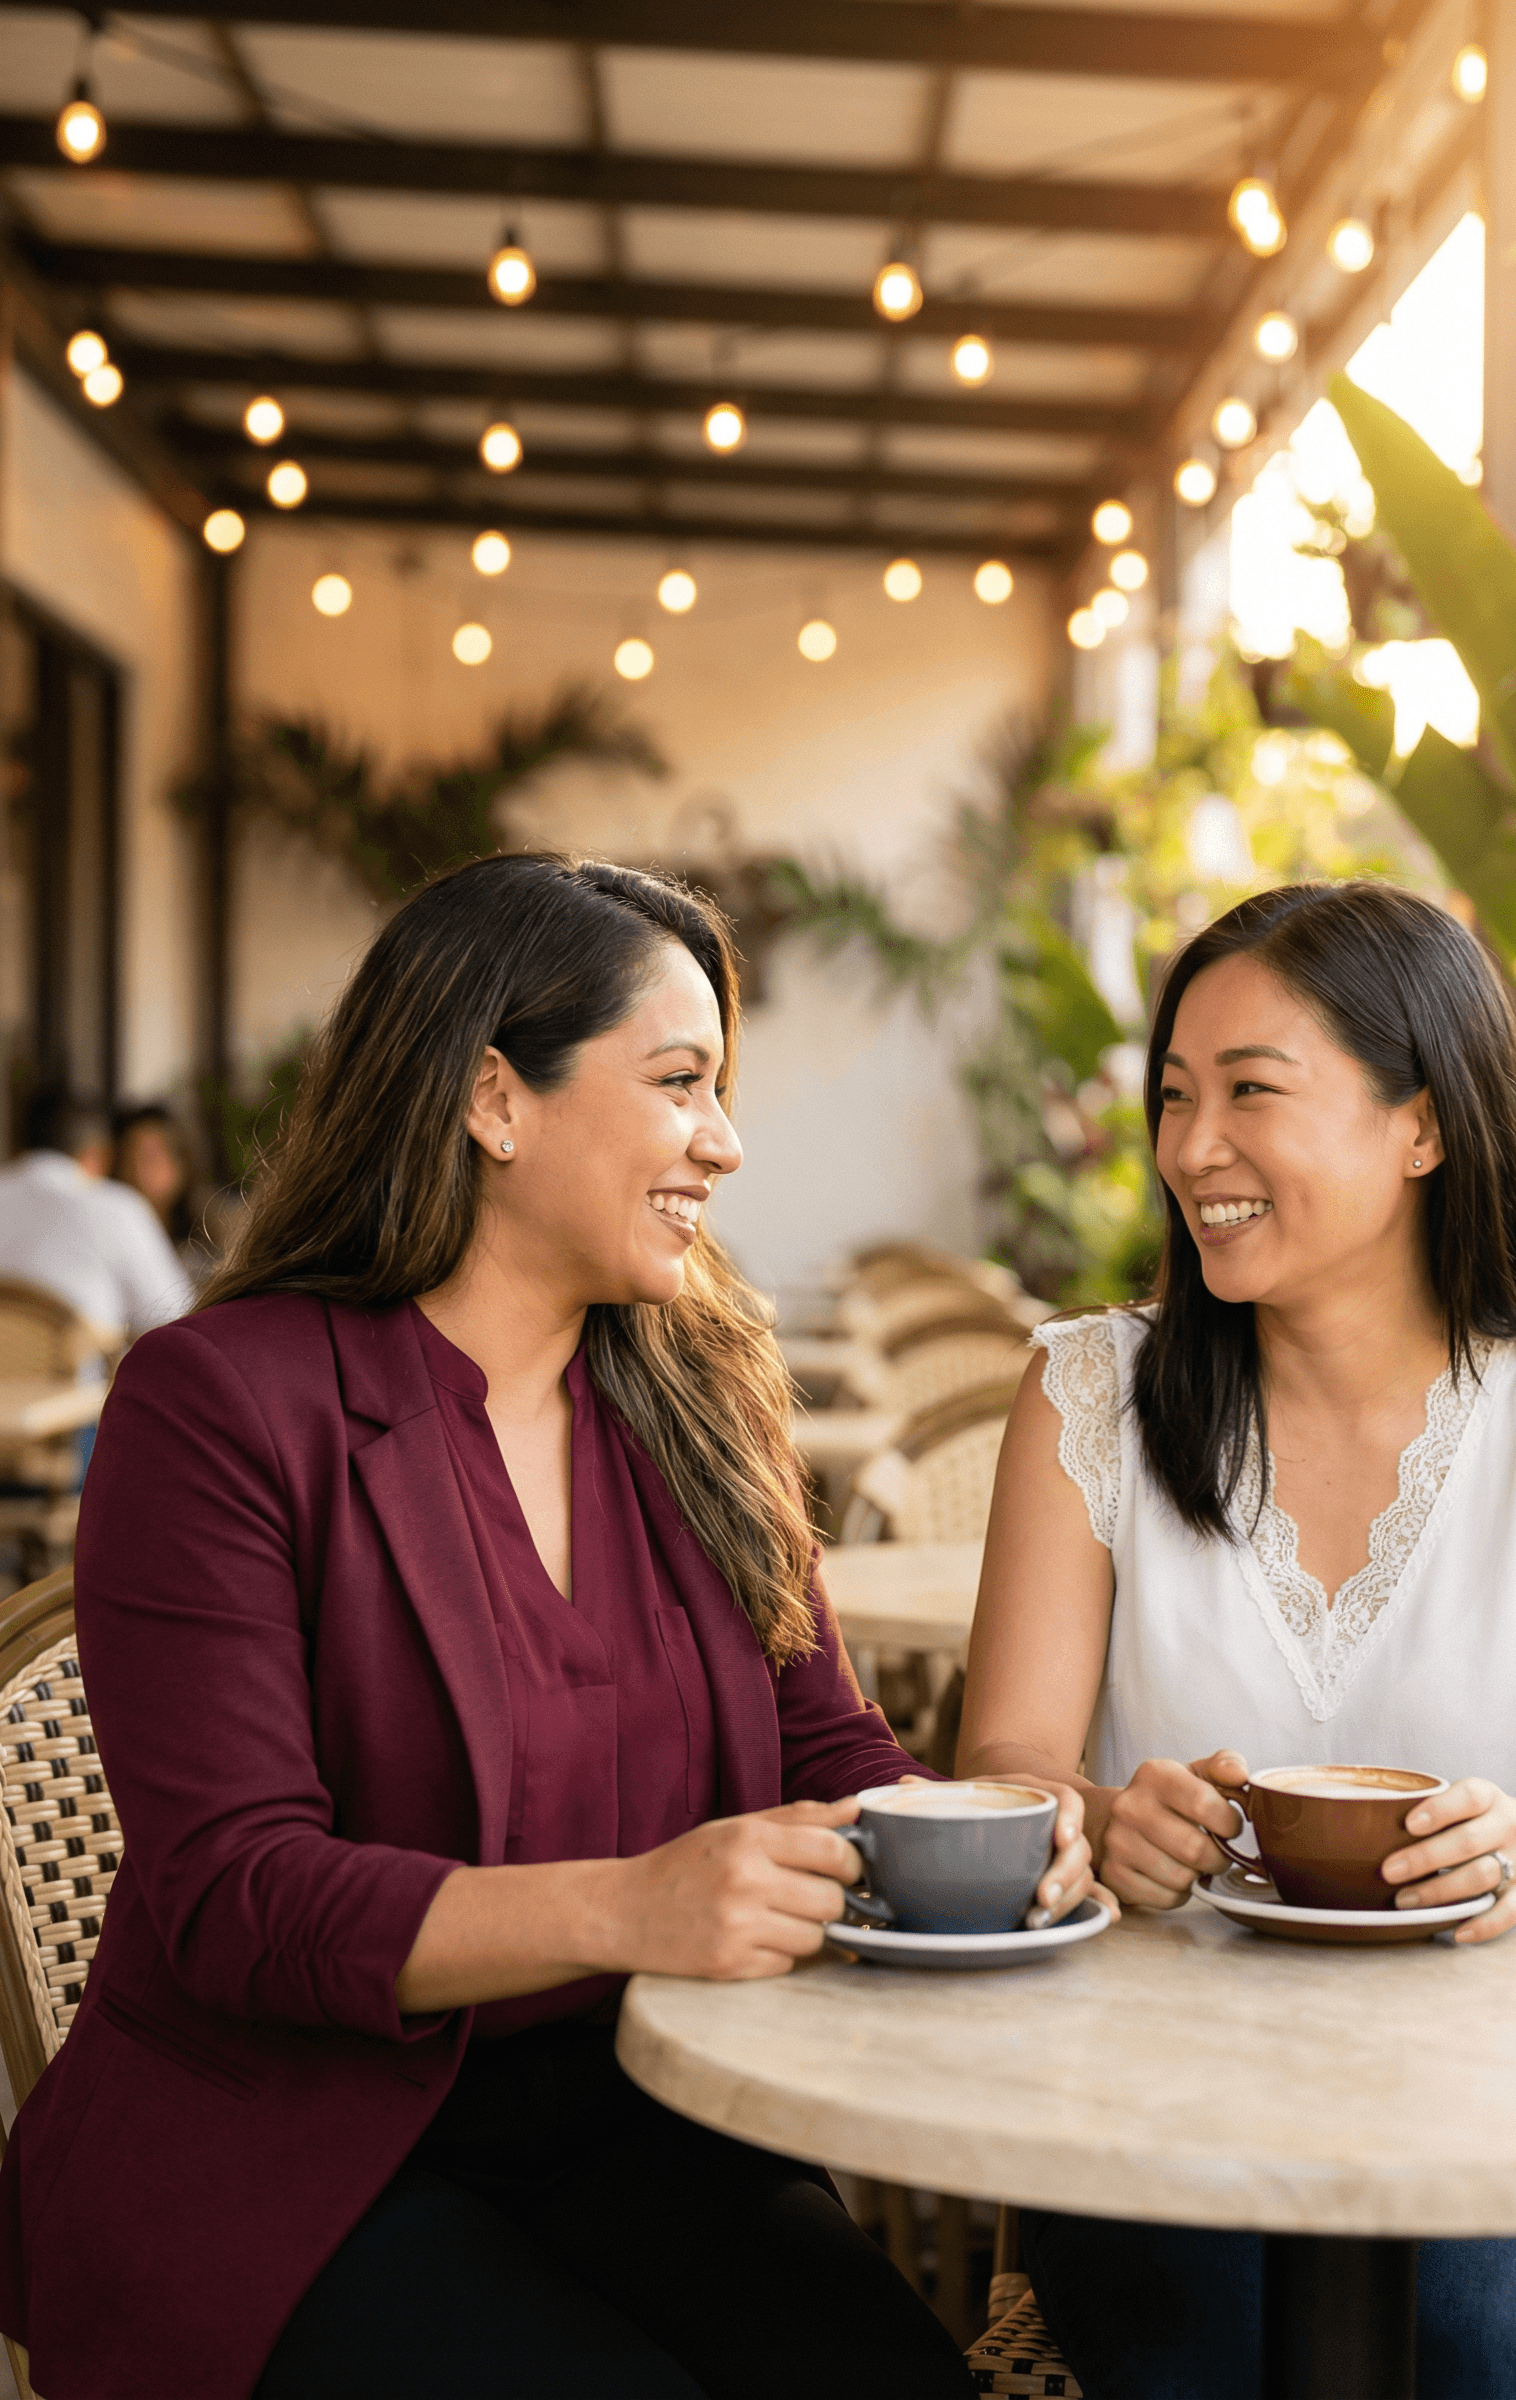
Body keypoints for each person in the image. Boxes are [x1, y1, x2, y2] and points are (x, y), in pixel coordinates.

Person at [0, 854, 1093, 2400]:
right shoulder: (221, 1406)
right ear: (494, 1100)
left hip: (649, 2112)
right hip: (296, 2156)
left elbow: (826, 1745)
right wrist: (629, 1908)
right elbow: (235, 1898)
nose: (725, 1141)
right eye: (679, 1081)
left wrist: (988, 1838)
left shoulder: (702, 1396)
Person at [958, 881, 1516, 2400]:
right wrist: (1103, 1822)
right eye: (1176, 1097)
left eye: (1253, 1092)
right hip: (1154, 2103)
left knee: (1483, 2352)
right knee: (1212, 2348)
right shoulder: (1088, 1397)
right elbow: (1005, 1765)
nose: (1191, 1150)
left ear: (1422, 1124)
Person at [0, 1090, 192, 1347]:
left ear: (17, 1147)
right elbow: (176, 1320)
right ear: (96, 1155)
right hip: (79, 1383)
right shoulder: (117, 1207)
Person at [111, 1100, 212, 1274]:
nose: (138, 1171)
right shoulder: (109, 1239)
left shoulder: (206, 1244)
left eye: (151, 1158)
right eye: (129, 1158)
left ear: (183, 1162)